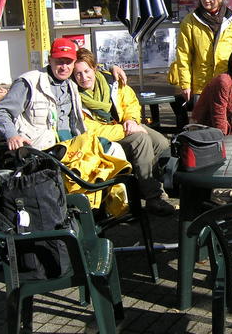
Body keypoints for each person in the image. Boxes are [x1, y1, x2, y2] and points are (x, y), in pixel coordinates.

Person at [73, 48, 174, 216]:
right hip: (103, 137)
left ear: (94, 68)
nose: (83, 78)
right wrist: (125, 130)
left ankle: (148, 184)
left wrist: (131, 120)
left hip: (124, 124)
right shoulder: (74, 95)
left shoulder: (110, 80)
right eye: (78, 74)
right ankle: (154, 197)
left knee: (161, 142)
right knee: (141, 140)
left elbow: (130, 101)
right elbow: (92, 129)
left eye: (86, 71)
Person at [169, 0, 232, 104]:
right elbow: (183, 55)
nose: (206, 0)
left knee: (225, 117)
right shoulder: (190, 21)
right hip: (201, 85)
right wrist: (185, 84)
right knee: (201, 117)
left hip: (228, 82)